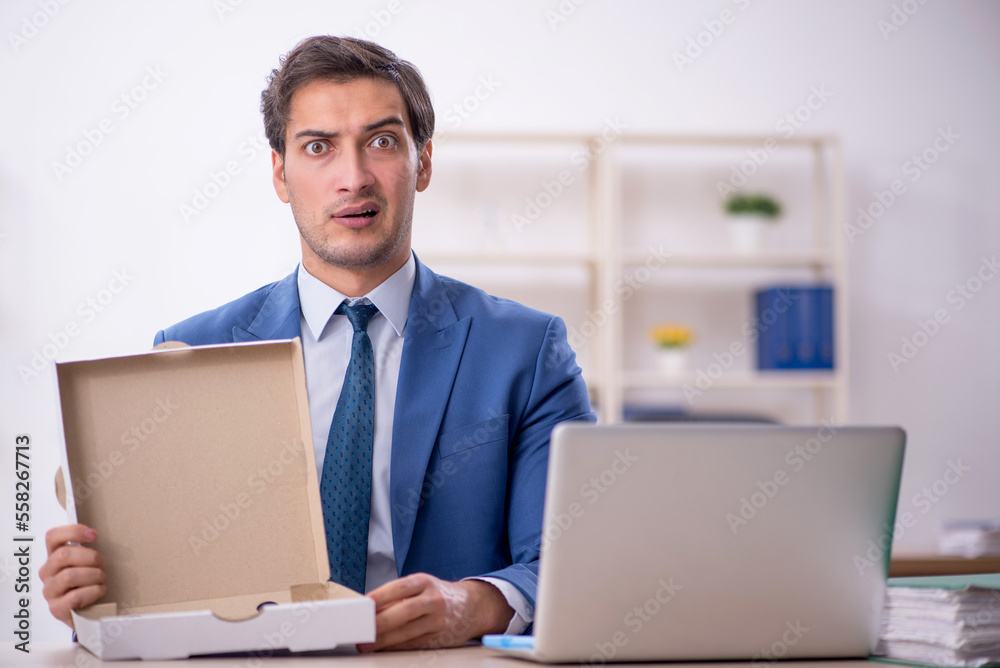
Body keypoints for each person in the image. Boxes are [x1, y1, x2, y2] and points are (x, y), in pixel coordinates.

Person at [40, 36, 594, 652]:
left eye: (382, 142)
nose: (353, 178)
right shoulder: (189, 351)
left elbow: (572, 562)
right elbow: (168, 580)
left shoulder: (526, 351)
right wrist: (97, 600)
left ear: (423, 163)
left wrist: (476, 603)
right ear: (280, 173)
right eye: (318, 147)